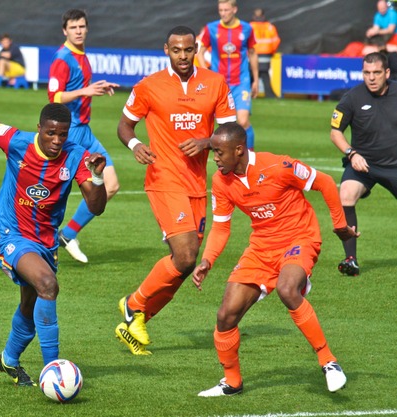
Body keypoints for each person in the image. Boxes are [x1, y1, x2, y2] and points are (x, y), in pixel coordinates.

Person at [0, 103, 107, 386]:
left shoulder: (76, 156)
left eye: (62, 135)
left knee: (31, 304)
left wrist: (97, 177)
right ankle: (54, 370)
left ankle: (8, 359)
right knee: (48, 285)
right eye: (51, 133)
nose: (56, 141)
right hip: (10, 235)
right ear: (39, 129)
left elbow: (96, 207)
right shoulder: (16, 141)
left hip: (45, 243)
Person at [192, 122, 359, 397]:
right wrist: (208, 260)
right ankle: (232, 382)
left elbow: (326, 183)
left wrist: (340, 225)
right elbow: (221, 226)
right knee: (225, 316)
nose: (215, 158)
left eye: (220, 152)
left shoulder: (278, 166)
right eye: (214, 152)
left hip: (299, 238)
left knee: (286, 289)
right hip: (261, 248)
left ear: (239, 150)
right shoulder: (221, 180)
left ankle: (328, 362)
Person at [115, 25, 237, 355]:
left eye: (187, 50)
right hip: (164, 178)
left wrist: (207, 141)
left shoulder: (215, 83)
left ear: (196, 49)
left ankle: (137, 319)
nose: (182, 56)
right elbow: (124, 125)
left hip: (197, 184)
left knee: (183, 266)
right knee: (185, 256)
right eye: (176, 50)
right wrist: (136, 144)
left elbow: (230, 131)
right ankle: (132, 304)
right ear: (165, 50)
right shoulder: (148, 86)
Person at [48, 8, 120, 263]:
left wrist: (96, 86)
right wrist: (86, 91)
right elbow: (54, 98)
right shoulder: (63, 59)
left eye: (81, 27)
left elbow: (80, 88)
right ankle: (44, 242)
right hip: (71, 135)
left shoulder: (82, 56)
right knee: (57, 192)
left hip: (85, 132)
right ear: (64, 31)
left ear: (86, 28)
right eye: (73, 27)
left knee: (111, 185)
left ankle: (67, 235)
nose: (78, 31)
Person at [330, 52, 397, 276]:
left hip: (394, 165)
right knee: (345, 195)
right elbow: (335, 132)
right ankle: (351, 259)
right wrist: (351, 153)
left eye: (376, 72)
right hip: (364, 165)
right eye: (367, 73)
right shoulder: (352, 98)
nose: (371, 78)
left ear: (386, 73)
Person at [198, 0, 259, 150]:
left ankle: (250, 156)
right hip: (220, 84)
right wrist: (206, 73)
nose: (223, 13)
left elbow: (252, 53)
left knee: (243, 122)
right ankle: (225, 155)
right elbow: (200, 52)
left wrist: (256, 80)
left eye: (226, 10)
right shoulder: (211, 28)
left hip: (241, 82)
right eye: (221, 10)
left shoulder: (246, 28)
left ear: (234, 9)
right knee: (222, 124)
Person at [249, 7, 281, 98]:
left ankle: (245, 93)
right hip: (265, 55)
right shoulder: (270, 27)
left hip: (253, 54)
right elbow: (276, 41)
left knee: (251, 73)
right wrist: (272, 51)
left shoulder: (250, 26)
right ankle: (270, 95)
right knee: (263, 74)